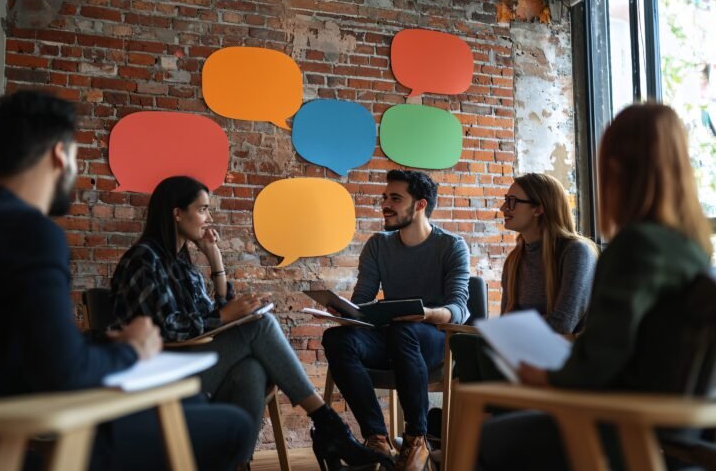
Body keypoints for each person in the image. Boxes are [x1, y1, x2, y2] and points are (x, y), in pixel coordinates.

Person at [0, 90, 253, 471]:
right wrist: (132, 350)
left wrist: (105, 342)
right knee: (234, 427)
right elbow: (63, 369)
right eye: (76, 156)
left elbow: (23, 345)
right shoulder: (32, 234)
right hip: (3, 435)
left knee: (192, 403)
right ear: (59, 155)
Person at [475, 103, 713, 470]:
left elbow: (598, 361)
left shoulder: (633, 247)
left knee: (485, 438)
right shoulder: (692, 249)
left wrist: (546, 377)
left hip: (621, 424)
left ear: (615, 168)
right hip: (680, 428)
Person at [110, 175, 391, 471]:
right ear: (177, 213)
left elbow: (210, 316)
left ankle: (238, 464)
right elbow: (163, 330)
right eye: (203, 209)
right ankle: (330, 427)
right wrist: (226, 316)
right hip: (160, 374)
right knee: (260, 326)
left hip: (191, 362)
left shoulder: (180, 262)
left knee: (252, 370)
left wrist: (215, 259)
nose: (209, 218)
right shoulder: (144, 260)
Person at [321, 169, 471, 471]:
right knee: (336, 338)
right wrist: (347, 312)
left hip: (434, 339)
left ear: (420, 204)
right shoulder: (378, 245)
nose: (385, 205)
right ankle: (377, 439)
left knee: (405, 330)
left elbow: (459, 309)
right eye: (385, 198)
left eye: (395, 199)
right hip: (391, 337)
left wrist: (426, 313)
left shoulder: (452, 246)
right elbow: (363, 300)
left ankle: (417, 438)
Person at [450, 173, 598, 383]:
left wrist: (515, 329)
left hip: (566, 351)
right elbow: (508, 318)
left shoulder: (576, 251)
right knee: (462, 343)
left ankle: (496, 403)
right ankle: (487, 404)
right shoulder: (515, 259)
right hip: (525, 345)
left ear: (538, 209)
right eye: (506, 200)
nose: (503, 208)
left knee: (484, 347)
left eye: (512, 201)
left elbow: (563, 323)